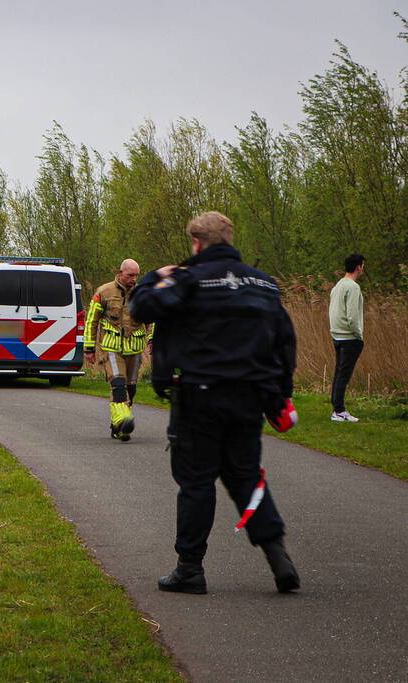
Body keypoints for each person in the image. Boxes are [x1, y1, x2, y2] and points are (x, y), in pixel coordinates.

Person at [130, 211, 300, 594]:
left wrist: (154, 276)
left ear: (196, 243)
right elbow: (285, 342)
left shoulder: (188, 279)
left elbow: (142, 308)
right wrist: (280, 395)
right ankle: (278, 557)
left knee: (196, 481)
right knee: (246, 475)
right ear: (229, 239)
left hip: (198, 395)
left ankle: (190, 569)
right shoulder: (264, 284)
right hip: (250, 396)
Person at [83, 259, 152, 442]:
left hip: (135, 349)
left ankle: (119, 424)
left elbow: (151, 320)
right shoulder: (104, 292)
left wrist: (152, 340)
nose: (134, 279)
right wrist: (89, 348)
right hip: (111, 348)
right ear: (121, 273)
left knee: (131, 388)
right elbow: (91, 321)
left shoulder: (142, 293)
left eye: (136, 275)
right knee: (118, 384)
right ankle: (123, 419)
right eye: (130, 275)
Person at [329, 254, 365, 422]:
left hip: (337, 335)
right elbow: (352, 316)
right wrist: (359, 334)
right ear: (358, 267)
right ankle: (339, 410)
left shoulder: (338, 286)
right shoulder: (353, 287)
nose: (362, 269)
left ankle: (336, 408)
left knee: (339, 373)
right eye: (362, 266)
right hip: (349, 337)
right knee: (344, 374)